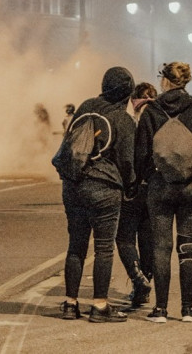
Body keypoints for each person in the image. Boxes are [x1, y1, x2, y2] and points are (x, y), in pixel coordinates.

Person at [135, 62, 192, 323]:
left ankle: (160, 309)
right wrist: (191, 160)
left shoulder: (152, 112)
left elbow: (140, 153)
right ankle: (188, 309)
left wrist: (149, 173)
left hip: (160, 187)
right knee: (188, 247)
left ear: (166, 81)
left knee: (161, 248)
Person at [58, 67, 136, 323]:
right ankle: (100, 306)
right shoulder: (122, 119)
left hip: (73, 185)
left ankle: (70, 304)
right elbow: (126, 161)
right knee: (103, 248)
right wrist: (130, 185)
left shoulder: (85, 106)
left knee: (76, 246)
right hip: (103, 187)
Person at [116, 82, 157, 309]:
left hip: (133, 187)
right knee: (148, 238)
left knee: (124, 237)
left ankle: (138, 279)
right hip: (154, 186)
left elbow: (126, 155)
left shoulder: (129, 118)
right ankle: (144, 286)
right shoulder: (162, 117)